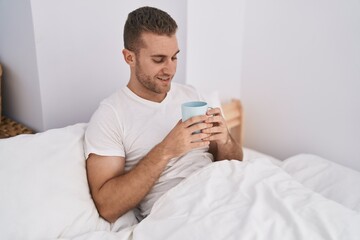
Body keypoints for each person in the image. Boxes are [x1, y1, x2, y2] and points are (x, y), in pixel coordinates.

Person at [84, 6, 243, 223]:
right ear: (129, 57)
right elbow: (108, 207)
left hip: (227, 191)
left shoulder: (192, 94)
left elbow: (234, 161)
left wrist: (224, 140)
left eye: (174, 58)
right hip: (182, 213)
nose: (170, 70)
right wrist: (166, 150)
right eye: (159, 60)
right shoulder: (111, 116)